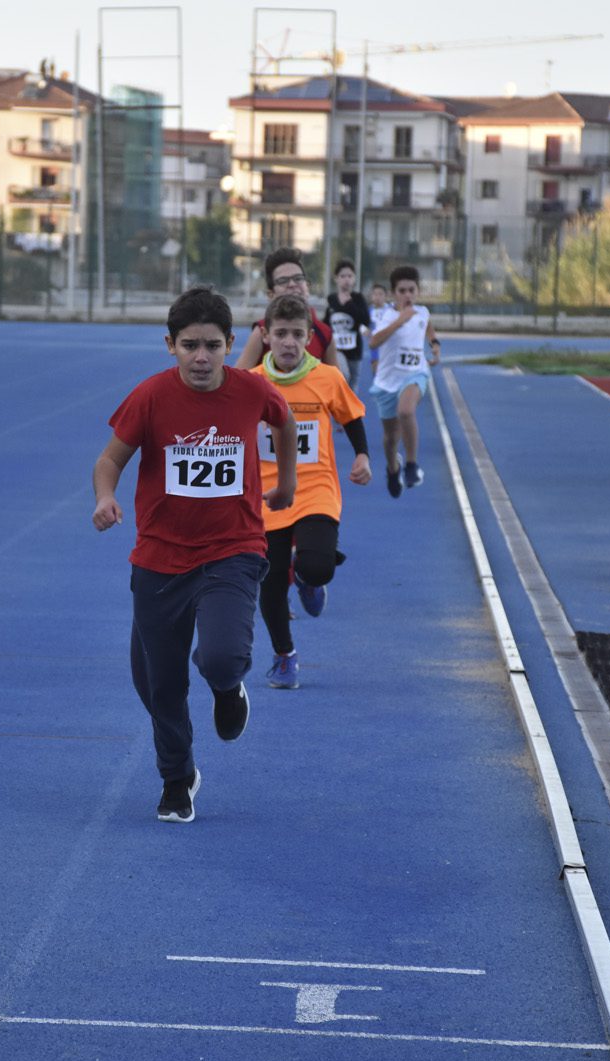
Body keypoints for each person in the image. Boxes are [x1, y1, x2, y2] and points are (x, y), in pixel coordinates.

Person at [93, 286, 298, 823]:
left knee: (222, 655)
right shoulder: (151, 396)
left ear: (231, 344)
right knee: (158, 685)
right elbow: (110, 460)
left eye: (212, 345)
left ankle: (228, 689)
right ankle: (178, 777)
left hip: (233, 548)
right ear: (170, 345)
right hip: (159, 559)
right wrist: (105, 497)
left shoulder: (252, 392)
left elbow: (284, 421)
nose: (201, 357)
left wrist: (288, 485)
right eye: (189, 346)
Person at [253, 293, 371, 690]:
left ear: (309, 338)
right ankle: (284, 656)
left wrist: (362, 456)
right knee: (268, 583)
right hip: (268, 496)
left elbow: (351, 416)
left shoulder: (327, 377)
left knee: (318, 566)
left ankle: (305, 576)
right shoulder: (252, 383)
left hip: (316, 488)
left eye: (297, 334)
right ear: (266, 336)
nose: (289, 342)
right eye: (281, 333)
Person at [367, 265, 440, 498]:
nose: (407, 295)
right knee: (390, 439)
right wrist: (400, 320)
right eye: (402, 290)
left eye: (411, 290)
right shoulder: (387, 316)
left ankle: (411, 465)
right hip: (388, 382)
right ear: (393, 293)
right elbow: (373, 343)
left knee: (406, 411)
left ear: (417, 291)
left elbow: (428, 326)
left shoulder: (423, 312)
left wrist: (435, 344)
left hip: (415, 374)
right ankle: (392, 469)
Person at [234, 248, 340, 370]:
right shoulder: (263, 330)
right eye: (283, 281)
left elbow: (337, 384)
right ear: (271, 294)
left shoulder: (324, 333)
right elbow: (239, 378)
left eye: (298, 278)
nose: (292, 284)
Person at [324, 260, 372, 391]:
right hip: (336, 348)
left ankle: (351, 411)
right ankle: (337, 404)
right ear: (336, 279)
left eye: (350, 276)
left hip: (354, 349)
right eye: (342, 276)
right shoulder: (331, 300)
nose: (346, 280)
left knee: (352, 384)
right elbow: (326, 322)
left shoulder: (358, 299)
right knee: (343, 374)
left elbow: (365, 320)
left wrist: (350, 304)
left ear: (354, 279)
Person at [367, 283, 391, 379]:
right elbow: (362, 324)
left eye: (380, 294)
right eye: (375, 294)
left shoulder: (391, 309)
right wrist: (365, 330)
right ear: (372, 296)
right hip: (376, 345)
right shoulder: (368, 311)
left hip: (389, 345)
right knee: (376, 372)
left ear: (386, 296)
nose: (377, 297)